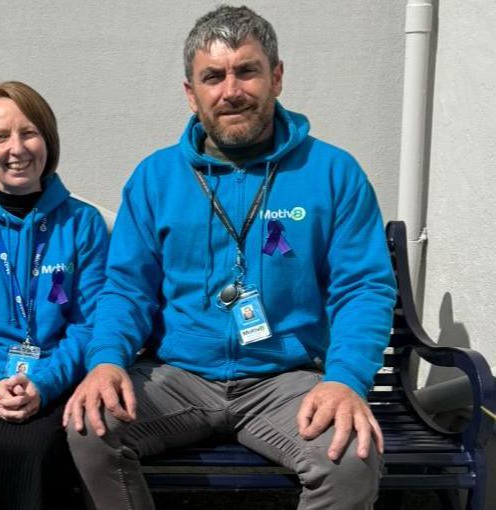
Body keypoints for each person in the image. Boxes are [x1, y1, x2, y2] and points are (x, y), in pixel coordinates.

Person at [63, 6, 396, 510]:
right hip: (178, 377)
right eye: (213, 77)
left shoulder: (332, 172)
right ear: (190, 92)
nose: (231, 89)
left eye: (247, 70)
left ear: (277, 77)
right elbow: (127, 288)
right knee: (92, 426)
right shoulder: (156, 178)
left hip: (285, 381)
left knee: (349, 458)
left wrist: (345, 380)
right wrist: (107, 360)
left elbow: (363, 288)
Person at [0, 81, 107, 510]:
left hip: (56, 374)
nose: (17, 148)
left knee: (45, 449)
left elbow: (89, 324)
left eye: (29, 132)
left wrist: (43, 383)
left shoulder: (83, 224)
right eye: (0, 136)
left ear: (48, 139)